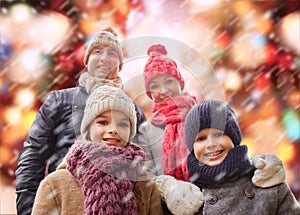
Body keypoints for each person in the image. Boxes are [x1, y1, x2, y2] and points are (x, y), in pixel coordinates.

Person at [138, 44, 288, 215]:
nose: (163, 90)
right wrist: (168, 187)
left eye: (168, 81)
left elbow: (230, 152)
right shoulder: (147, 132)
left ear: (180, 82)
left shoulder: (201, 115)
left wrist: (259, 166)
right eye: (155, 85)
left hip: (213, 200)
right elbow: (146, 177)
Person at [15, 27, 146, 215]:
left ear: (120, 63)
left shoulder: (133, 110)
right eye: (97, 51)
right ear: (87, 60)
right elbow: (33, 156)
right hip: (65, 202)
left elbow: (146, 166)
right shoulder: (60, 101)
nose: (104, 58)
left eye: (112, 53)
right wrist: (30, 210)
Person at [31, 85, 163, 215]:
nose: (114, 130)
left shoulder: (145, 187)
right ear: (88, 130)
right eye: (103, 122)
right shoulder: (55, 184)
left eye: (122, 124)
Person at [182, 100, 300, 214]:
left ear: (234, 138)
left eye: (218, 134)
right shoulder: (185, 196)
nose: (211, 144)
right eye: (201, 138)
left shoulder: (267, 183)